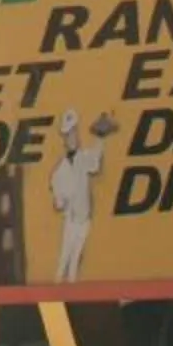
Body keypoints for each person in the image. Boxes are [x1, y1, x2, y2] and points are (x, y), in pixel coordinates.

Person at [47, 109, 116, 282]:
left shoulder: (83, 158)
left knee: (75, 259)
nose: (72, 138)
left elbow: (94, 163)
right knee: (64, 258)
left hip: (84, 219)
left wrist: (100, 137)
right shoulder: (59, 171)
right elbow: (58, 201)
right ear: (63, 138)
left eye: (74, 133)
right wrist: (60, 202)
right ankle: (56, 289)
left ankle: (71, 290)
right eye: (68, 134)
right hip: (71, 219)